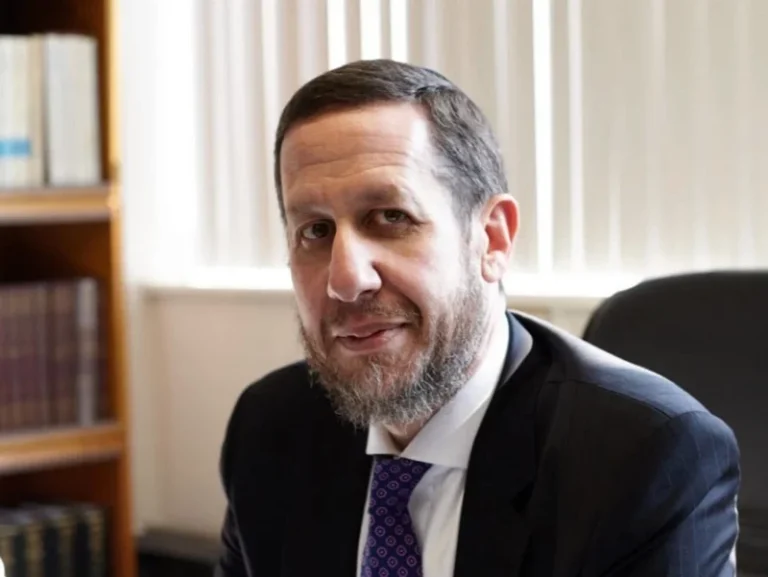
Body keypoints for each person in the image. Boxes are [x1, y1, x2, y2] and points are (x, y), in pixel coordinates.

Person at [214, 59, 740, 577]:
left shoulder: (646, 457)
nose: (347, 278)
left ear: (492, 239)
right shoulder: (269, 427)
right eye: (315, 231)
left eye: (391, 217)